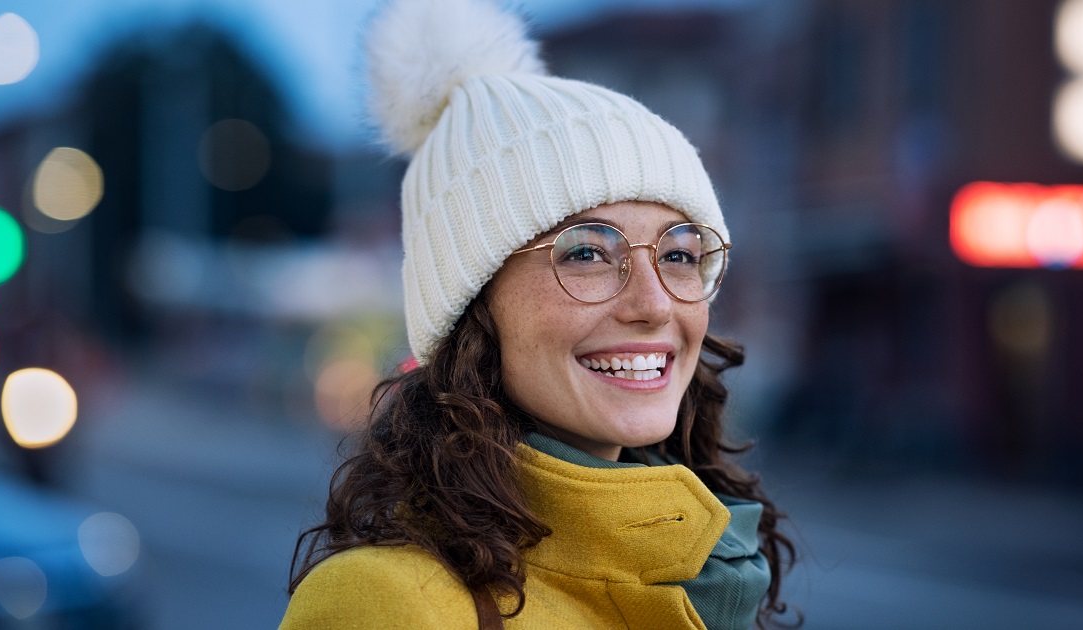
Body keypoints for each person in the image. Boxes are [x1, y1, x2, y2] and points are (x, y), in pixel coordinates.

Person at [280, 0, 796, 628]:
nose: (655, 303)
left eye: (680, 254)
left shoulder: (717, 571)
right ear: (473, 304)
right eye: (586, 253)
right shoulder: (389, 604)